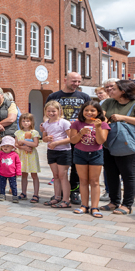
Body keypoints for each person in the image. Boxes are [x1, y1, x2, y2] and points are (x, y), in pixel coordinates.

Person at [100, 80, 135, 215]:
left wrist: (123, 117)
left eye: (114, 88)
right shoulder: (108, 102)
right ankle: (114, 202)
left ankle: (127, 204)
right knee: (110, 173)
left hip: (130, 144)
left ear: (123, 91)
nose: (110, 90)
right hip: (110, 143)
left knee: (128, 174)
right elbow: (101, 117)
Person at [47, 73, 90, 206]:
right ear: (65, 80)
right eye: (74, 81)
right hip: (59, 138)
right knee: (60, 168)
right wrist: (45, 126)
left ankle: (74, 191)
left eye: (78, 81)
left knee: (76, 166)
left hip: (78, 137)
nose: (76, 84)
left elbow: (90, 113)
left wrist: (81, 120)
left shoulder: (84, 97)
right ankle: (59, 193)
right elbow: (46, 113)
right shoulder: (54, 96)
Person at [69, 100, 110, 218]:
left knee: (95, 181)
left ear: (98, 112)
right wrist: (80, 133)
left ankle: (95, 207)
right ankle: (84, 205)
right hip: (80, 153)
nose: (89, 112)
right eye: (86, 110)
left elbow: (101, 141)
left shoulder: (103, 124)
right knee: (83, 181)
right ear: (82, 111)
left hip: (96, 153)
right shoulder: (77, 124)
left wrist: (97, 128)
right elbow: (73, 140)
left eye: (93, 110)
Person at [41, 100, 72, 208]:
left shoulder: (64, 122)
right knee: (56, 175)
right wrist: (46, 138)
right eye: (48, 111)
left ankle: (66, 199)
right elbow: (44, 138)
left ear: (59, 111)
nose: (51, 113)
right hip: (51, 151)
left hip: (63, 151)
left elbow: (71, 138)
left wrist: (56, 143)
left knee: (63, 175)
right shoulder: (46, 124)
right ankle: (57, 197)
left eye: (53, 111)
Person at [15, 114, 41, 203]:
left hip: (31, 156)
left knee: (34, 175)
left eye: (28, 121)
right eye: (23, 121)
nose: (26, 123)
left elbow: (35, 144)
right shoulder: (18, 132)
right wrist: (23, 147)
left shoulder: (34, 132)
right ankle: (23, 192)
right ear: (20, 122)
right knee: (24, 174)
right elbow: (16, 144)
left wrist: (23, 141)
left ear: (31, 122)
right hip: (22, 155)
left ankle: (36, 194)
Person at [0, 136, 22, 202]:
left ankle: (15, 196)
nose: (5, 148)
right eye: (4, 146)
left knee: (13, 185)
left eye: (8, 146)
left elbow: (18, 164)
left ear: (12, 147)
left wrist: (18, 172)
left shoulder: (15, 154)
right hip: (2, 173)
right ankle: (2, 194)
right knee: (2, 185)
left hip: (12, 174)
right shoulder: (0, 153)